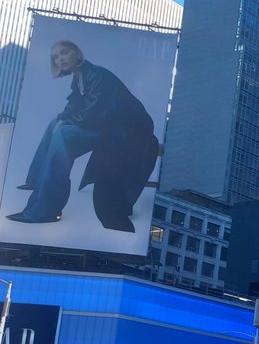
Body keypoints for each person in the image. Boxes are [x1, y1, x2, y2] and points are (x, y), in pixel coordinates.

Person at [7, 40, 159, 231]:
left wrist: (68, 122)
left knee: (62, 133)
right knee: (55, 123)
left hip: (127, 132)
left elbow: (96, 112)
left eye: (64, 53)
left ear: (78, 54)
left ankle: (44, 210)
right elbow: (75, 105)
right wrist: (63, 118)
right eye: (56, 57)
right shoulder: (78, 77)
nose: (60, 58)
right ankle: (37, 181)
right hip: (107, 126)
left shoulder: (97, 74)